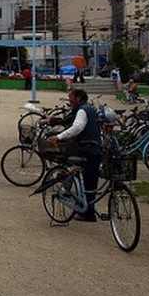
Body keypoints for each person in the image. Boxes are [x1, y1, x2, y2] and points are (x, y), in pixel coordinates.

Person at [41, 88, 102, 222]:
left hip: (85, 149)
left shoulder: (82, 110)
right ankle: (88, 213)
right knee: (91, 183)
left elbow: (77, 127)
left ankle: (66, 189)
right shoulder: (90, 108)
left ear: (78, 98)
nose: (69, 100)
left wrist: (59, 137)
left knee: (77, 171)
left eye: (71, 97)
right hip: (95, 149)